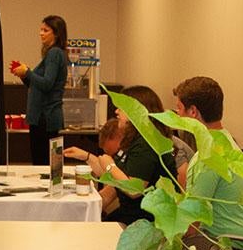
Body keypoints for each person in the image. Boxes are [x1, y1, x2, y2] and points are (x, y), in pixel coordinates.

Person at [164, 76, 243, 250]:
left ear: (193, 112)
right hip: (234, 244)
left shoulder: (209, 155)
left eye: (179, 110)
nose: (176, 117)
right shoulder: (225, 141)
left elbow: (191, 223)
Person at [65, 84, 176, 224]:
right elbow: (112, 176)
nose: (116, 111)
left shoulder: (147, 143)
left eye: (121, 108)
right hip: (131, 215)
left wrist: (110, 166)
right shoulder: (134, 139)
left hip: (145, 222)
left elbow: (134, 190)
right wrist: (86, 156)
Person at [9, 14, 68, 165]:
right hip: (43, 118)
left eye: (45, 30)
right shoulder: (52, 54)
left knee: (43, 164)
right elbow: (37, 85)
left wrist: (28, 72)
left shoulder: (55, 53)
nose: (40, 33)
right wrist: (23, 75)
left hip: (46, 118)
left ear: (56, 33)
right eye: (41, 29)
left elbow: (47, 84)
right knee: (45, 163)